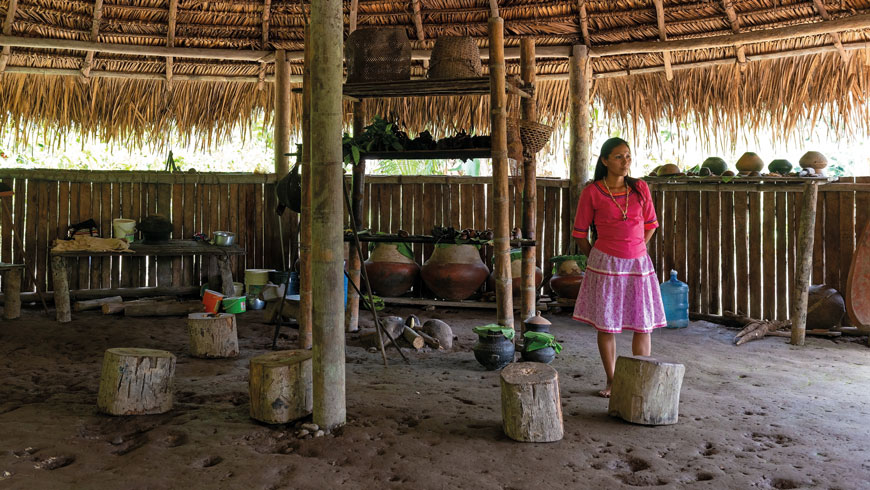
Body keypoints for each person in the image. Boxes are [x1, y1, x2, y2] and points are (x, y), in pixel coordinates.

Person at [571, 137, 666, 398]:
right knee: (607, 324)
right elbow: (579, 233)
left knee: (643, 323)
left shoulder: (640, 188)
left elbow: (650, 225)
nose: (625, 161)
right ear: (604, 161)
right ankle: (612, 381)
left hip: (638, 264)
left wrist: (637, 248)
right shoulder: (592, 192)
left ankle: (640, 380)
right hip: (605, 265)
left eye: (628, 156)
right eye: (618, 157)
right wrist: (597, 258)